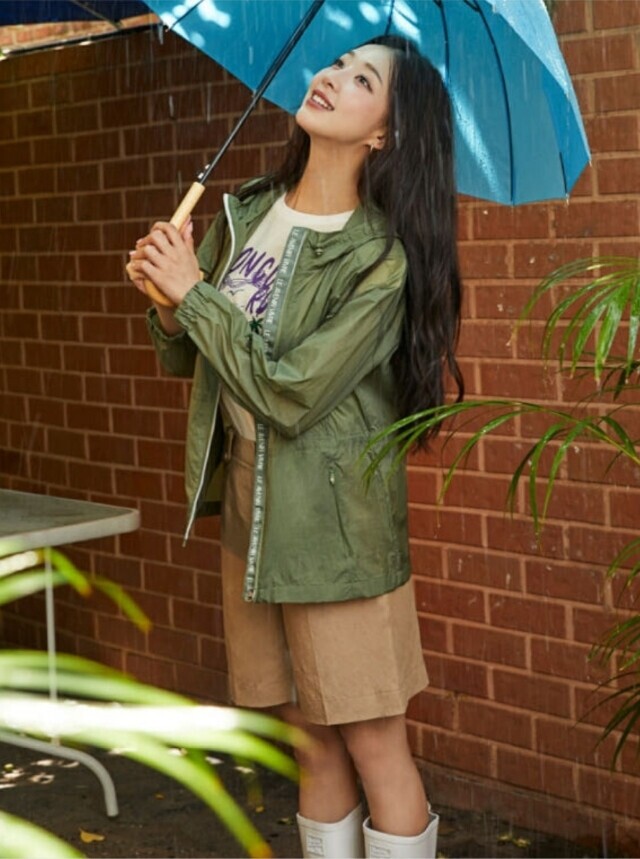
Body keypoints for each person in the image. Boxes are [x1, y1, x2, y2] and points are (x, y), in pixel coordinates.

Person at [128, 35, 463, 859]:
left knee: (373, 738)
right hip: (253, 515)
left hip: (337, 533)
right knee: (309, 738)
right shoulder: (247, 210)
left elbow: (291, 391)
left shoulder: (378, 257)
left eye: (363, 79)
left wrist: (195, 295)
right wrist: (167, 300)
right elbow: (192, 356)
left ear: (385, 131)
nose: (332, 78)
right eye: (337, 64)